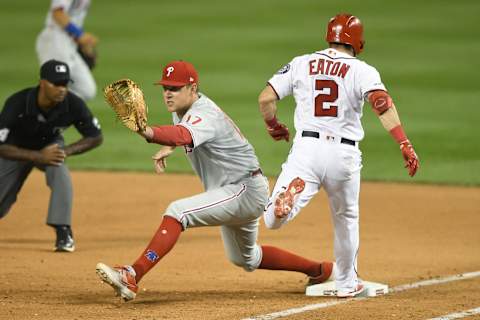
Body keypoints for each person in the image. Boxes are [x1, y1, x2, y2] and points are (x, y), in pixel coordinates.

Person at [96, 60, 334, 301]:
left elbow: (184, 133)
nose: (168, 93)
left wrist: (146, 131)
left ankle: (132, 275)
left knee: (178, 212)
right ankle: (321, 270)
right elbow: (183, 134)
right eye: (165, 87)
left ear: (192, 88)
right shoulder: (182, 111)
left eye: (175, 88)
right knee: (244, 258)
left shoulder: (204, 113)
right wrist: (169, 147)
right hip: (240, 190)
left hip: (244, 189)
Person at [258, 14, 419, 298]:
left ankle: (284, 204)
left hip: (306, 151)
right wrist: (404, 143)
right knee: (346, 219)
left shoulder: (301, 62)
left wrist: (273, 126)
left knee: (271, 220)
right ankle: (346, 283)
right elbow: (381, 105)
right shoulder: (363, 70)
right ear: (358, 41)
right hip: (343, 155)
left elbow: (266, 98)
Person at [0, 59, 103, 252]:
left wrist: (66, 151)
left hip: (50, 146)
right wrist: (38, 156)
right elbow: (1, 146)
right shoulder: (18, 103)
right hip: (15, 149)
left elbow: (95, 136)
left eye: (64, 84)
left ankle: (63, 231)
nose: (61, 89)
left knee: (59, 167)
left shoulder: (72, 103)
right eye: (56, 84)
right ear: (42, 83)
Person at [36, 0, 98, 101]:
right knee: (57, 84)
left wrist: (81, 42)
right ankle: (37, 110)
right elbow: (57, 13)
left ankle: (55, 109)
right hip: (55, 40)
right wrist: (80, 35)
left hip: (69, 42)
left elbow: (75, 18)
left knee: (86, 90)